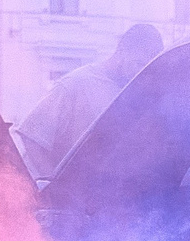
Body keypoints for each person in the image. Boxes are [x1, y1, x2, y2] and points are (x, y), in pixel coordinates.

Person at [15, 24, 165, 180]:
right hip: (69, 198)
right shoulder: (76, 84)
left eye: (148, 68)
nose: (142, 73)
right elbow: (31, 136)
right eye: (139, 64)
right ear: (122, 52)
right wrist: (52, 184)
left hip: (106, 196)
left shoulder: (136, 92)